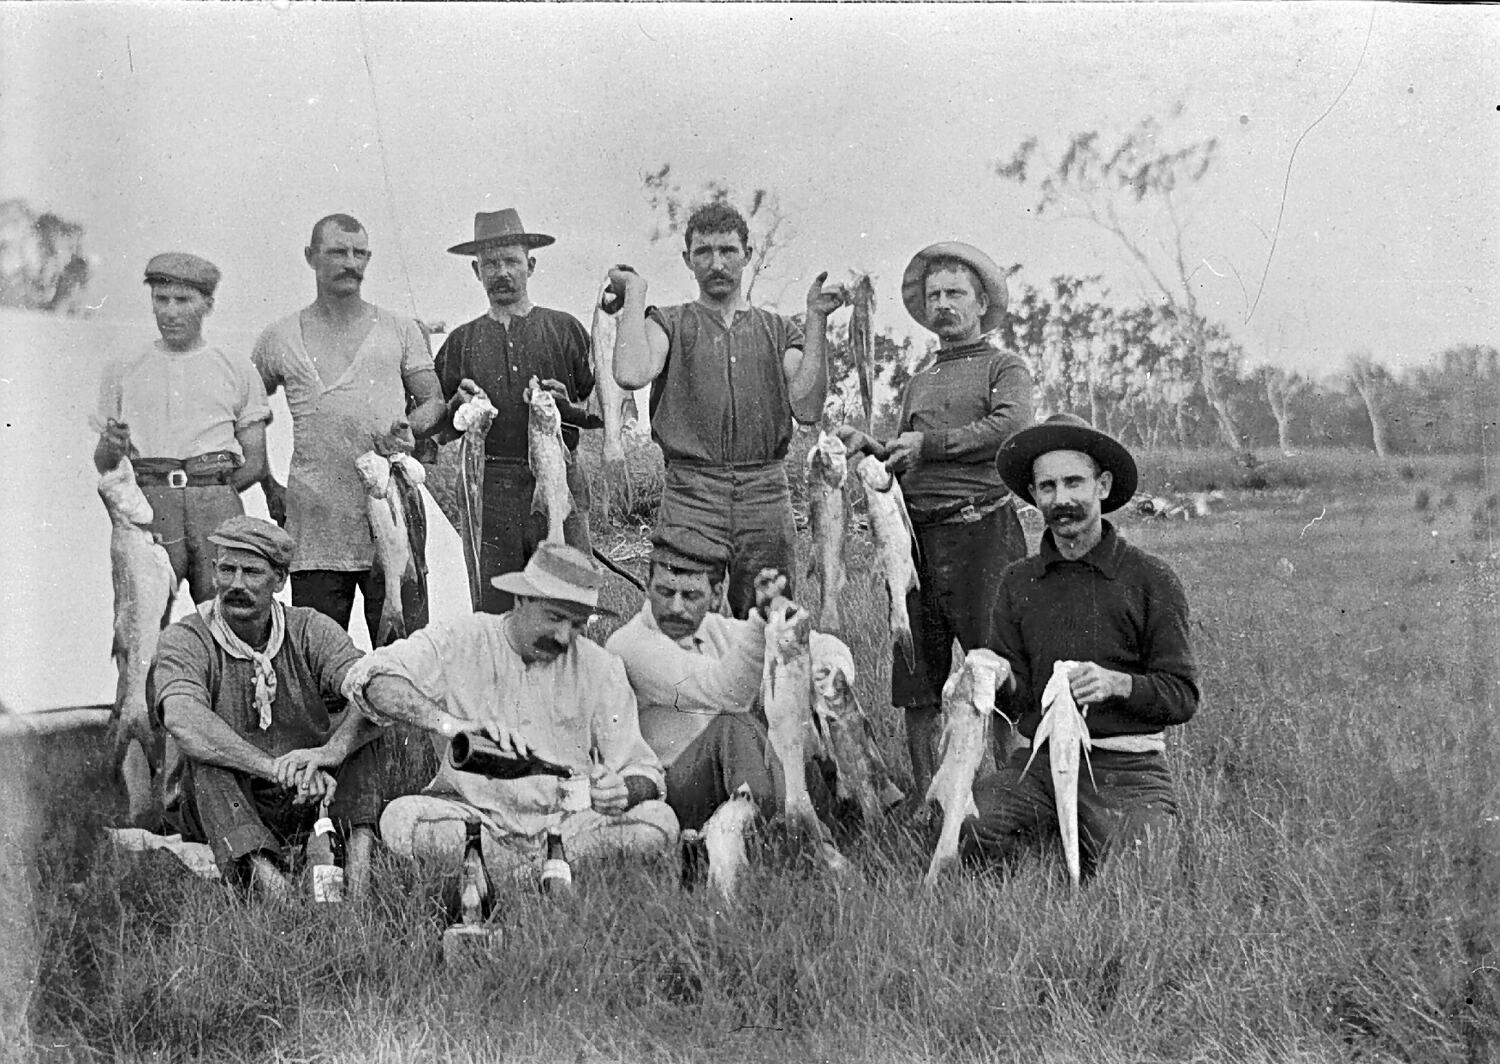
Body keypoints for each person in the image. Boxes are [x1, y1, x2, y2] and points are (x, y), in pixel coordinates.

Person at [342, 543, 676, 910]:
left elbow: (646, 772)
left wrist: (624, 790)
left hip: (567, 828)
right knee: (401, 819)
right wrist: (452, 725)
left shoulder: (601, 668)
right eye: (554, 617)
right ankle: (544, 875)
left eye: (578, 625)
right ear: (521, 599)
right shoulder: (463, 639)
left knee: (658, 822)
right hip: (475, 821)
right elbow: (370, 680)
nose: (565, 637)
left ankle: (506, 874)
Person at [960, 413, 1198, 880]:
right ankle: (1051, 839)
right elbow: (1020, 699)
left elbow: (1182, 695)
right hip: (1040, 766)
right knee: (969, 822)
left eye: (1074, 482)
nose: (1061, 499)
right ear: (1034, 496)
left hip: (1126, 769)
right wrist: (999, 675)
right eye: (1047, 487)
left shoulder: (1152, 579)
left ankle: (1093, 835)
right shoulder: (1018, 581)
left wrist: (1120, 684)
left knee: (1145, 876)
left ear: (1103, 486)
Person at [838, 241, 1034, 800]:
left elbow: (1010, 428)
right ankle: (929, 795)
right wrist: (873, 447)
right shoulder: (921, 379)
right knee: (916, 676)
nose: (943, 304)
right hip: (917, 542)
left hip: (983, 533)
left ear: (980, 305)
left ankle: (1003, 793)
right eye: (934, 296)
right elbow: (909, 458)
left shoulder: (1004, 366)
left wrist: (931, 443)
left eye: (955, 294)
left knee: (993, 667)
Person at [610, 202, 842, 618]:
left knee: (772, 625)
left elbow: (807, 408)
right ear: (687, 260)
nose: (716, 263)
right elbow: (630, 372)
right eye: (703, 252)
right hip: (690, 493)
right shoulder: (669, 322)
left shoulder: (778, 330)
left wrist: (816, 322)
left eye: (728, 250)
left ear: (748, 256)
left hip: (765, 494)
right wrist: (635, 295)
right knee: (680, 626)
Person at [150, 516, 382, 898]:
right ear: (213, 572)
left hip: (304, 790)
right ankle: (274, 889)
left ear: (280, 581)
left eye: (251, 572)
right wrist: (274, 769)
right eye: (227, 569)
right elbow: (183, 719)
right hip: (226, 801)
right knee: (207, 759)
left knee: (364, 729)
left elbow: (371, 690)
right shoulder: (186, 637)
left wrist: (329, 753)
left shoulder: (309, 628)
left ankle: (359, 879)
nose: (236, 584)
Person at [251, 213, 446, 641]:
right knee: (316, 659)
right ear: (310, 257)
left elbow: (434, 401)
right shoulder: (278, 337)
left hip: (394, 522)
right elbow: (247, 410)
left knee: (405, 656)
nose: (350, 263)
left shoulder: (400, 328)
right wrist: (267, 482)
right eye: (337, 252)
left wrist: (409, 428)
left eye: (359, 253)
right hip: (314, 525)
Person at [430, 209, 600, 614]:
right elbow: (438, 430)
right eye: (490, 263)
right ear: (476, 271)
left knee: (568, 598)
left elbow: (602, 412)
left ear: (531, 265)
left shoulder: (566, 329)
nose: (501, 271)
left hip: (559, 474)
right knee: (496, 607)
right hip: (490, 485)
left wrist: (569, 408)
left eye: (511, 261)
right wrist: (457, 408)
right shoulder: (460, 341)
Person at [94, 253, 272, 603]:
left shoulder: (234, 366)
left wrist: (210, 490)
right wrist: (113, 449)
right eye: (161, 300)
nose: (171, 311)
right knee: (141, 620)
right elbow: (104, 462)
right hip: (149, 505)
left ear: (207, 304)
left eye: (183, 300)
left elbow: (255, 462)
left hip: (217, 505)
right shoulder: (124, 366)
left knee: (227, 617)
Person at [604, 527, 795, 831]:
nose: (676, 607)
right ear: (647, 587)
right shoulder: (630, 645)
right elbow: (725, 690)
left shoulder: (715, 628)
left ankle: (842, 808)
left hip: (728, 773)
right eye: (665, 592)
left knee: (799, 710)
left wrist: (828, 661)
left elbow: (821, 648)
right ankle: (778, 832)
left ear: (717, 596)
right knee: (733, 724)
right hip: (672, 793)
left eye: (691, 596)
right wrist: (761, 623)